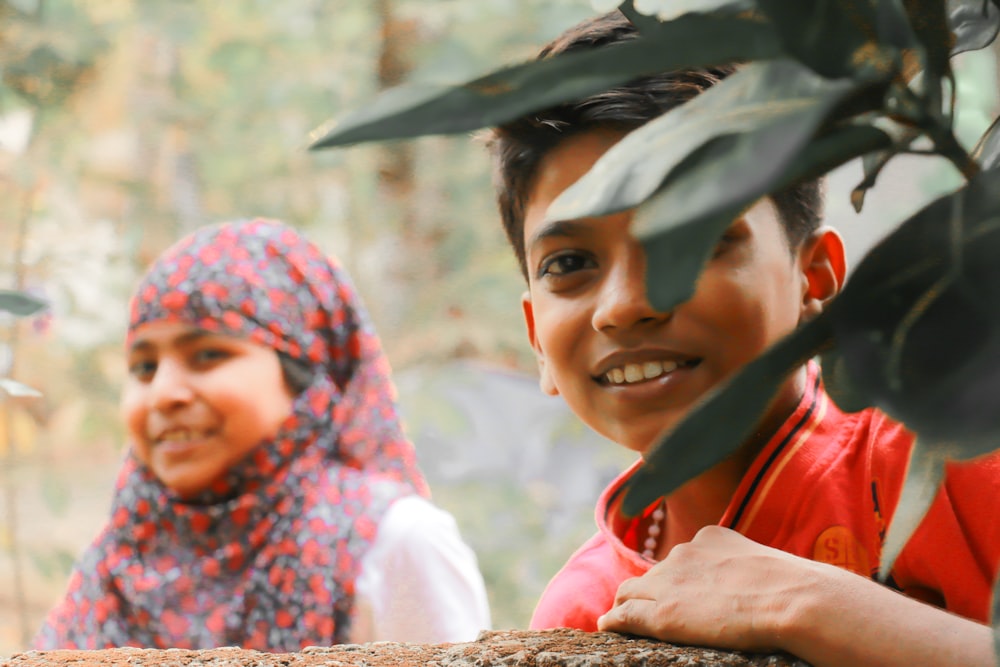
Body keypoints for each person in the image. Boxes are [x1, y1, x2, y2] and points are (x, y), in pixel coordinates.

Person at [486, 10, 1000, 667]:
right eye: (569, 264)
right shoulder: (582, 613)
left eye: (691, 239)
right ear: (535, 337)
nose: (622, 306)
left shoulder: (949, 464)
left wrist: (813, 606)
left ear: (814, 276)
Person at [33, 218, 491, 651]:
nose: (162, 394)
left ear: (306, 377)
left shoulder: (393, 542)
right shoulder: (124, 552)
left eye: (208, 354)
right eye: (144, 367)